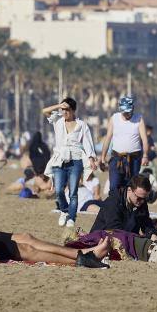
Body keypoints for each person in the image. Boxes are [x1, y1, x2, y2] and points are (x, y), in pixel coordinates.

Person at [43, 97, 98, 229]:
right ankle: (64, 211)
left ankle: (72, 217)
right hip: (59, 160)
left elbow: (88, 143)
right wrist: (59, 105)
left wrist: (91, 159)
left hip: (75, 160)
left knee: (73, 191)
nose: (64, 112)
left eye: (67, 110)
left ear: (73, 110)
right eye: (63, 110)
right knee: (58, 190)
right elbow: (44, 111)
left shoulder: (81, 125)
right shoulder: (58, 120)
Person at [98, 95, 150, 196]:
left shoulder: (139, 118)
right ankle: (114, 207)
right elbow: (108, 138)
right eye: (124, 111)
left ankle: (127, 209)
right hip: (117, 158)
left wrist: (145, 156)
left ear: (133, 109)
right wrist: (103, 157)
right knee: (114, 186)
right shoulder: (114, 118)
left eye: (128, 111)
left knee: (131, 186)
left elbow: (144, 139)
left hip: (134, 159)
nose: (126, 114)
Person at [90, 175, 157, 239]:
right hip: (101, 242)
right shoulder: (113, 202)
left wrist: (152, 234)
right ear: (129, 190)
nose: (142, 201)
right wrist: (138, 238)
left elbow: (146, 223)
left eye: (146, 198)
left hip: (128, 241)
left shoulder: (141, 203)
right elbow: (114, 230)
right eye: (139, 198)